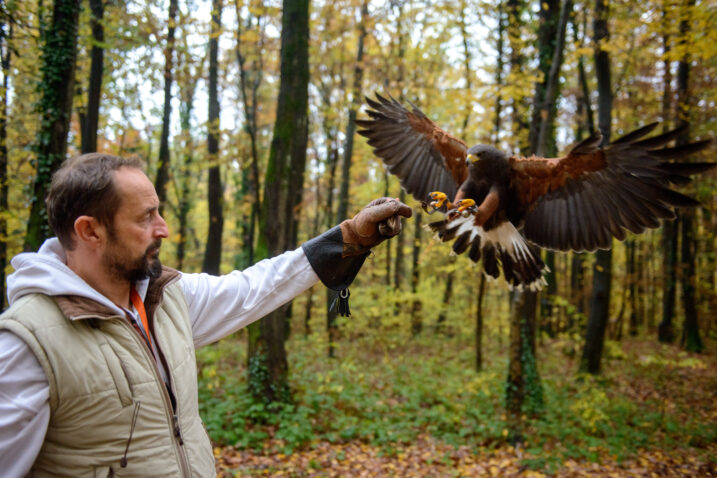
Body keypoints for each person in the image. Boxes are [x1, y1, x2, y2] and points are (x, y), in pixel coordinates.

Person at [0, 153, 412, 476]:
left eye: (159, 211)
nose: (163, 229)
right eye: (146, 217)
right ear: (90, 231)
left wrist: (349, 238)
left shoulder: (168, 298)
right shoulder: (27, 344)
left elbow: (255, 287)